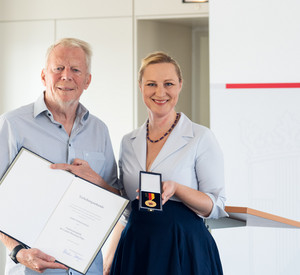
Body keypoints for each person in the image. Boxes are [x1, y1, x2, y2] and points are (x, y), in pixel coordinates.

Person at [0, 38, 119, 275]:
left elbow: (116, 202)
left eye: (75, 69)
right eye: (58, 68)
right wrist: (18, 252)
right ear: (44, 76)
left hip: (88, 270)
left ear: (87, 80)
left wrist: (97, 181)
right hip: (30, 270)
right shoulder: (12, 125)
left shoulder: (100, 130)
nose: (66, 76)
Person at [105, 51, 228, 275]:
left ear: (180, 85)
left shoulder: (200, 137)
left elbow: (216, 205)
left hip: (184, 248)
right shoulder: (128, 142)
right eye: (151, 84)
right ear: (140, 86)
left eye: (168, 84)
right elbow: (127, 207)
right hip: (136, 247)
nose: (160, 92)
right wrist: (111, 255)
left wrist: (177, 189)